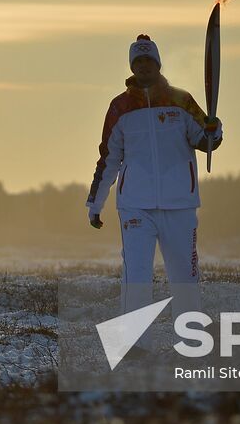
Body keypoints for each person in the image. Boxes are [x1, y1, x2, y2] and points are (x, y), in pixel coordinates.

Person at [87, 34, 222, 317]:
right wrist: (95, 204)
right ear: (132, 67)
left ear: (158, 64)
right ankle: (136, 345)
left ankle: (190, 339)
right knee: (136, 274)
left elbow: (203, 139)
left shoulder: (181, 101)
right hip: (136, 204)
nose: (144, 66)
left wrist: (213, 130)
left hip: (180, 203)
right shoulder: (119, 107)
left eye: (149, 60)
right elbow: (108, 159)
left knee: (185, 275)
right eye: (139, 61)